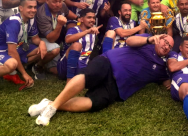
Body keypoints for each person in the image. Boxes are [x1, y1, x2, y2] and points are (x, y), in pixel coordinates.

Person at [29, 34, 174, 126]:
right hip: (108, 62)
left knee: (94, 103)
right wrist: (148, 39)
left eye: (169, 46)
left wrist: (168, 82)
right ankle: (52, 109)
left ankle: (48, 103)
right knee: (88, 76)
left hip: (119, 87)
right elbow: (130, 40)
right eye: (165, 41)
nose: (166, 46)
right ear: (159, 39)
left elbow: (166, 79)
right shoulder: (146, 41)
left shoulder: (161, 67)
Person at [0, 0, 47, 96]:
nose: (33, 10)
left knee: (40, 50)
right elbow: (12, 52)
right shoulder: (14, 22)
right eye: (29, 7)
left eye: (34, 7)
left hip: (7, 51)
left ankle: (11, 73)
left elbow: (35, 38)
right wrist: (24, 74)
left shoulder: (31, 19)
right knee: (12, 64)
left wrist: (42, 43)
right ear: (21, 8)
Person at [34, 0, 77, 79]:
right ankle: (38, 66)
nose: (58, 4)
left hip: (56, 35)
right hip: (43, 39)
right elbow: (51, 39)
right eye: (54, 2)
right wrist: (59, 25)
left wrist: (78, 18)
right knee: (56, 68)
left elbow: (67, 12)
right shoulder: (42, 13)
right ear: (47, 1)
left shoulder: (62, 5)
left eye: (60, 1)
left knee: (73, 32)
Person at [60, 8, 101, 80]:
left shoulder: (93, 32)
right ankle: (69, 80)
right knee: (77, 45)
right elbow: (68, 40)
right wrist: (87, 31)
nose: (92, 20)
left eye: (94, 18)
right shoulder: (74, 29)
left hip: (83, 64)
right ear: (81, 19)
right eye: (89, 17)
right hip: (66, 65)